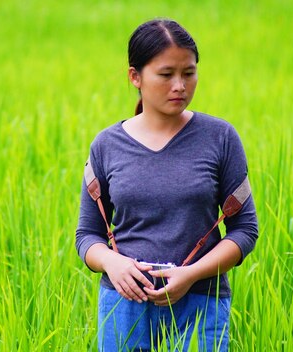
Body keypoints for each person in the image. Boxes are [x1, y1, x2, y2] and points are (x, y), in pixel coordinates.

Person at [75, 18, 258, 352]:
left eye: (189, 73)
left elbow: (244, 231)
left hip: (201, 303)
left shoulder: (220, 138)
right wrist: (113, 264)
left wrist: (191, 275)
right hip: (123, 305)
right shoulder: (106, 145)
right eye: (166, 75)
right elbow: (87, 236)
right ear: (135, 77)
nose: (180, 86)